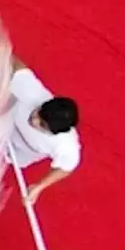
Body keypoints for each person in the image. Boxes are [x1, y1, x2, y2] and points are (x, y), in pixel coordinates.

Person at [7, 56, 80, 203]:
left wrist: (40, 186)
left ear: (54, 132)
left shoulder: (66, 146)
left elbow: (66, 167)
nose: (33, 121)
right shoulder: (31, 91)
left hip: (21, 152)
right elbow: (10, 60)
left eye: (42, 125)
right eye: (38, 112)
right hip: (4, 121)